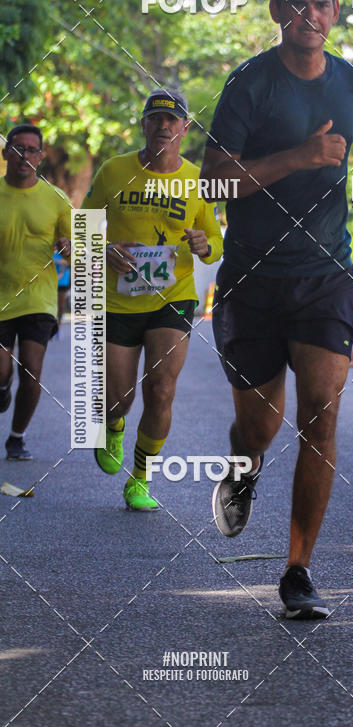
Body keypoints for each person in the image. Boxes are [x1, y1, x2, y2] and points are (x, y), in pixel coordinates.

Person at [202, 0, 353, 619]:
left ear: (334, 12)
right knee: (259, 427)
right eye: (296, 3)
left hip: (325, 276)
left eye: (321, 4)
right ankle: (243, 469)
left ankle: (298, 571)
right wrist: (297, 158)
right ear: (276, 11)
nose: (309, 15)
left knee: (321, 413)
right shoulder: (250, 84)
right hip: (253, 281)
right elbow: (214, 180)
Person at [84, 89, 223, 511]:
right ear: (144, 124)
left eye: (172, 119)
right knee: (117, 397)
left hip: (173, 298)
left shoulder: (198, 180)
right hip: (118, 301)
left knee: (161, 389)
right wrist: (104, 248)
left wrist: (204, 245)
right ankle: (113, 424)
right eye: (156, 118)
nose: (164, 126)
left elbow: (215, 241)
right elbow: (82, 229)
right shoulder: (114, 170)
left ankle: (140, 479)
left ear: (185, 128)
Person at [0, 124, 71, 460]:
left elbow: (80, 247)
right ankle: (2, 387)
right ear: (5, 153)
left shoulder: (56, 198)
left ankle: (17, 437)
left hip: (39, 298)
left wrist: (69, 247)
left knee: (31, 369)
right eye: (17, 148)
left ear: (40, 157)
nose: (24, 155)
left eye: (31, 150)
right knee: (1, 371)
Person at [53, 250, 71, 336]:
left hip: (63, 282)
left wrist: (62, 262)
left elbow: (70, 263)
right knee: (52, 304)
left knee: (60, 306)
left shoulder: (66, 251)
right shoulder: (52, 252)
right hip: (51, 281)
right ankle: (52, 326)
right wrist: (57, 261)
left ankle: (58, 326)